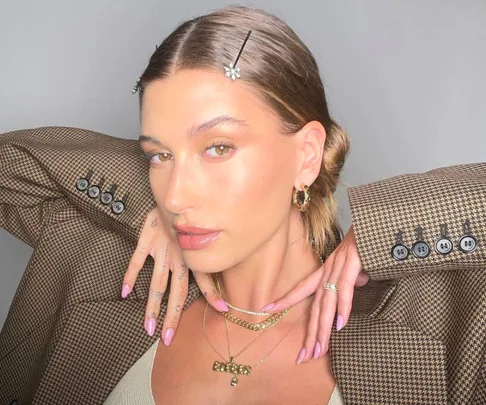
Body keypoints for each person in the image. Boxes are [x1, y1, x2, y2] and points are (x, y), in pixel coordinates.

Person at [0, 5, 485, 405]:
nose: (175, 195)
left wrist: (380, 233)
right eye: (159, 155)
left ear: (307, 155)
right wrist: (140, 207)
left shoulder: (433, 318)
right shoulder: (105, 266)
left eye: (218, 147)